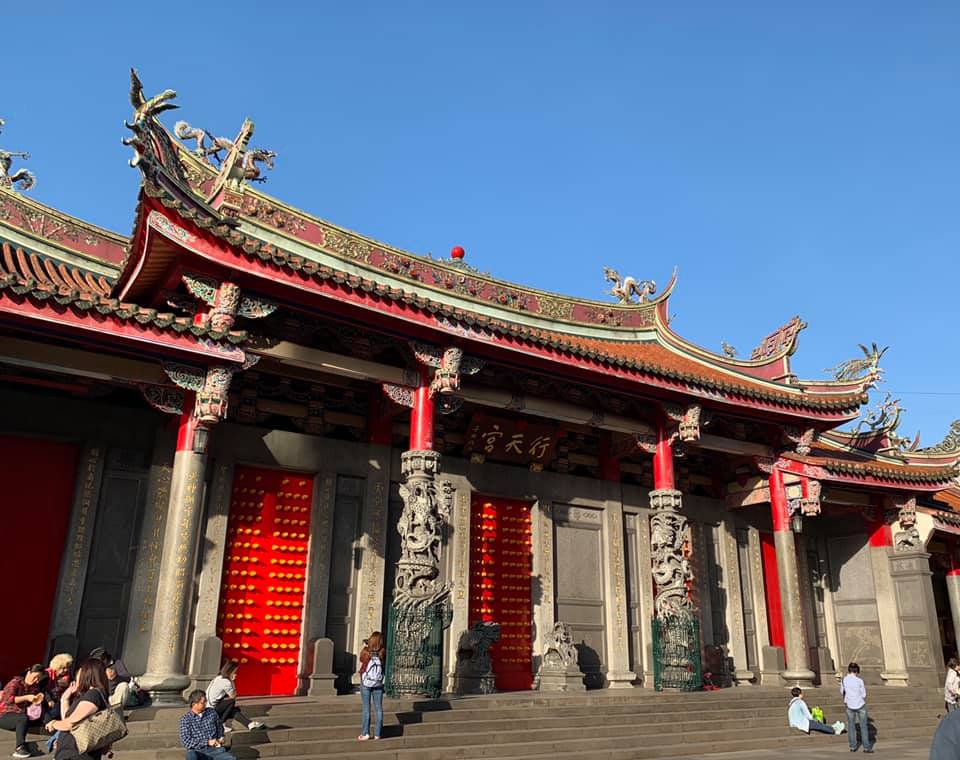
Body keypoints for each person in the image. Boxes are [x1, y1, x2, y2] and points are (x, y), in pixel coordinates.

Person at [45, 657, 112, 760]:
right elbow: (67, 719)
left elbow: (70, 724)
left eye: (79, 674)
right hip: (70, 753)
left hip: (77, 755)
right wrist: (65, 699)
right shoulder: (88, 695)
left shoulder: (93, 695)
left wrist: (53, 723)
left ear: (87, 674)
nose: (76, 678)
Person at [0, 664, 47, 759]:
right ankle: (20, 747)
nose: (36, 681)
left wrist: (37, 700)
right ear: (29, 673)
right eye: (35, 677)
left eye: (39, 679)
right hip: (5, 715)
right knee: (22, 718)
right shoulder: (15, 683)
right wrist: (26, 697)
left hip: (23, 715)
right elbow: (8, 699)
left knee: (42, 713)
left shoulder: (35, 687)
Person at [205, 661, 264, 732]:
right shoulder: (226, 682)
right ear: (230, 671)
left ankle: (249, 724)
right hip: (212, 709)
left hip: (209, 707)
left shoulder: (218, 678)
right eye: (234, 671)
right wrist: (232, 681)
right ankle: (220, 725)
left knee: (233, 710)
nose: (235, 673)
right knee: (231, 702)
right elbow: (233, 696)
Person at [179, 690, 236, 760]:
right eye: (203, 702)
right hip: (197, 750)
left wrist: (221, 737)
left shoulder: (212, 712)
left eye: (206, 701)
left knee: (231, 758)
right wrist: (207, 742)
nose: (206, 703)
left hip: (215, 750)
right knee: (191, 756)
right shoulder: (185, 719)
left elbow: (220, 728)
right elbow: (186, 742)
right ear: (194, 704)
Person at [357, 631, 385, 741]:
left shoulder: (366, 651)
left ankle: (365, 733)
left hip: (366, 682)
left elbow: (361, 660)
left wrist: (366, 646)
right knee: (378, 708)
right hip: (378, 683)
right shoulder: (382, 652)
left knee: (366, 708)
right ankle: (378, 733)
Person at [842, 662, 873, 753]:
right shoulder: (859, 681)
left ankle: (852, 746)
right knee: (863, 726)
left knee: (851, 726)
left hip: (849, 704)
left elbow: (842, 691)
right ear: (857, 671)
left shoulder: (844, 680)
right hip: (860, 704)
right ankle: (866, 747)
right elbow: (864, 694)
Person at [45, 655, 74, 719]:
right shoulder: (47, 674)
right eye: (63, 668)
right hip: (47, 699)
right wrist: (49, 700)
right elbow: (42, 689)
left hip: (60, 700)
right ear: (57, 667)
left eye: (67, 667)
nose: (66, 670)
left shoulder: (68, 675)